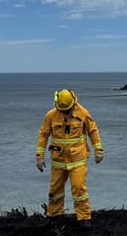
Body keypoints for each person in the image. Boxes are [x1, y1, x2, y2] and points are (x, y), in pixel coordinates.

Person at [36, 89, 103, 227]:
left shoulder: (83, 113)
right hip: (58, 160)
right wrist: (39, 157)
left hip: (78, 159)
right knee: (55, 190)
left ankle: (84, 218)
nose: (65, 112)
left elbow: (93, 131)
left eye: (67, 109)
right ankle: (54, 215)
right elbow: (43, 135)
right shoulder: (51, 115)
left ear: (74, 103)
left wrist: (98, 150)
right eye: (62, 110)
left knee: (79, 189)